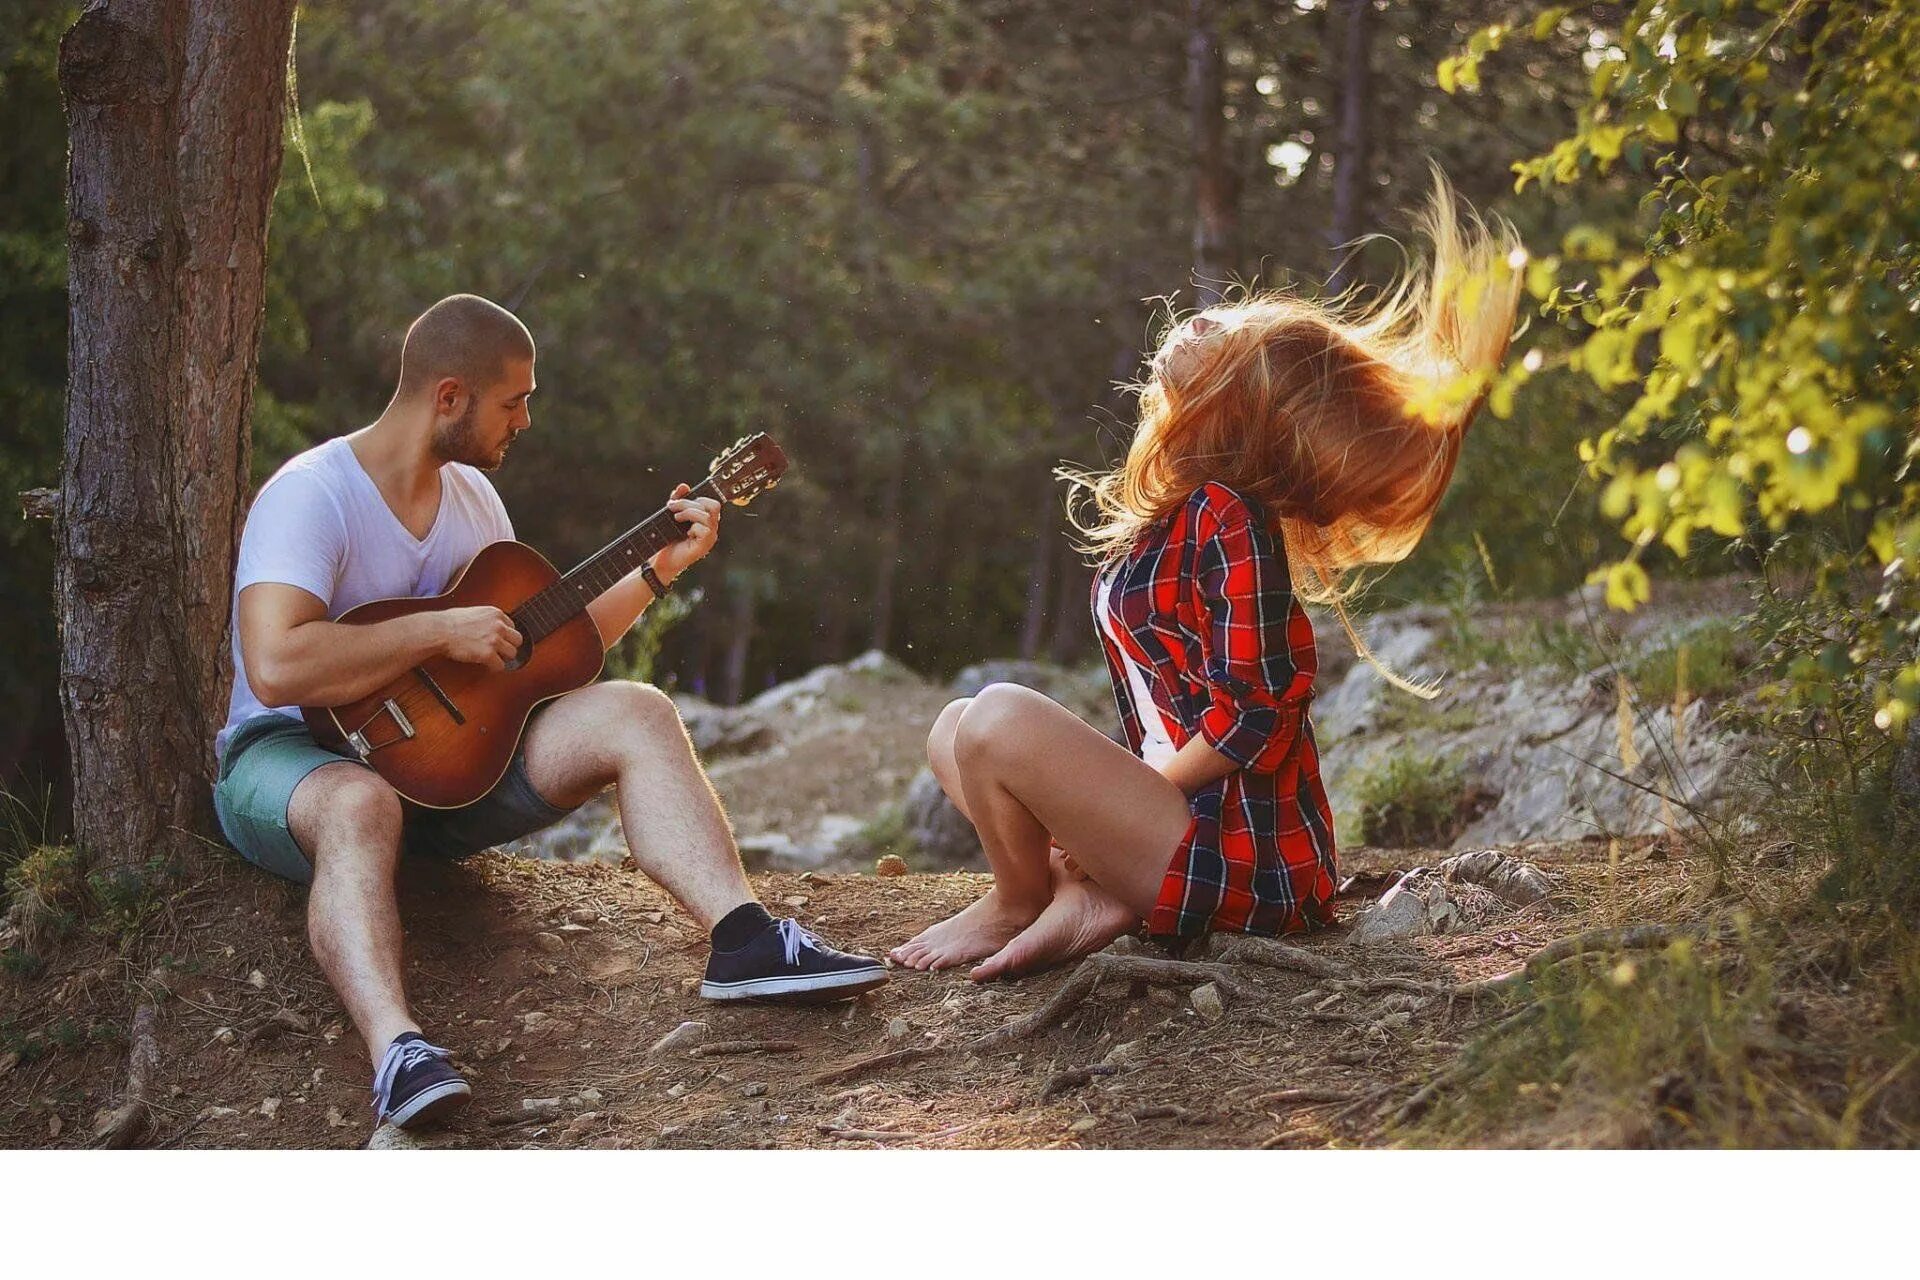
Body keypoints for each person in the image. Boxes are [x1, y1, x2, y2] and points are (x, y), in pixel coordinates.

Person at [213, 294, 885, 1130]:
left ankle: (743, 939)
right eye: (514, 400)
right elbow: (276, 665)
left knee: (635, 710)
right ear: (449, 396)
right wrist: (440, 629)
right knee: (361, 802)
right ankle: (399, 1055)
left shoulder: (474, 505)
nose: (525, 420)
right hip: (293, 762)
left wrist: (659, 570)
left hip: (447, 774)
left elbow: (541, 651)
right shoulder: (312, 495)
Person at [892, 177, 1522, 981]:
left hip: (1242, 863)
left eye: (1225, 335)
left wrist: (1134, 792)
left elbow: (1255, 712)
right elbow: (1167, 707)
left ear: (1242, 406)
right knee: (954, 728)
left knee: (998, 718)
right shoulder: (1178, 517)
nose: (1199, 318)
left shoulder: (1231, 515)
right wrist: (1098, 814)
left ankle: (1020, 902)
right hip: (1174, 830)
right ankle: (1091, 897)